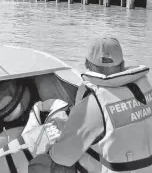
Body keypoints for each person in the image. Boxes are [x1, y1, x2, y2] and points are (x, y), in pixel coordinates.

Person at [28, 37, 152, 173]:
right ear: (122, 65)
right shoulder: (145, 87)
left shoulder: (95, 103)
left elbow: (63, 156)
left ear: (87, 63)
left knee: (43, 163)